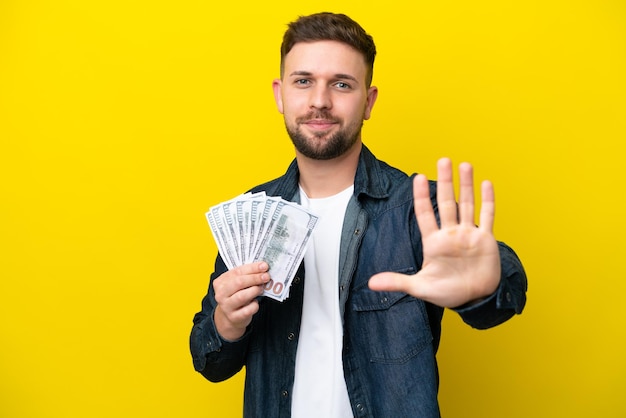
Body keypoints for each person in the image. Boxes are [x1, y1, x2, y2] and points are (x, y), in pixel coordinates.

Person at [190, 12, 527, 418]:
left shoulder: (416, 208)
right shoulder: (254, 214)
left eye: (341, 84)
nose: (319, 100)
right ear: (280, 95)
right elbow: (208, 360)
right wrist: (226, 322)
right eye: (303, 81)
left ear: (368, 102)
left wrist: (485, 286)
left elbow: (503, 292)